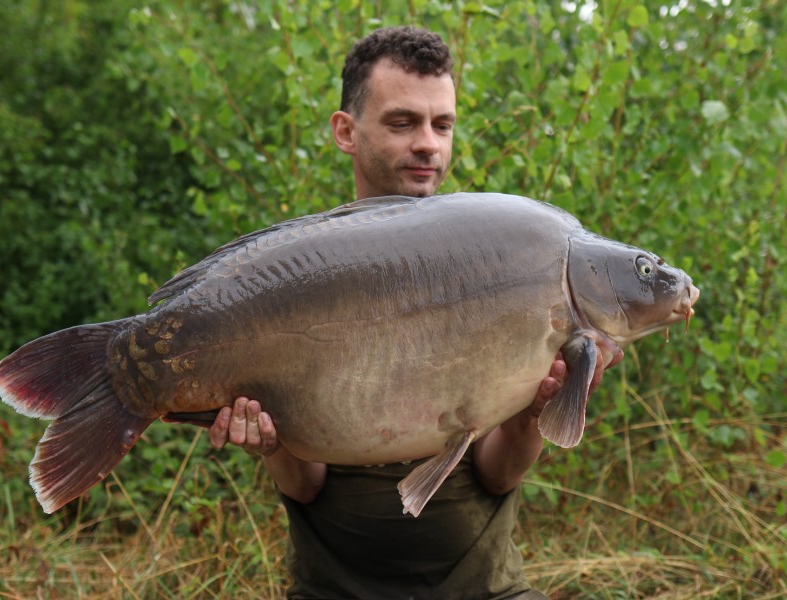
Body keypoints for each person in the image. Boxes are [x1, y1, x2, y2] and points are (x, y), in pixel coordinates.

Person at [209, 26, 611, 599]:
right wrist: (269, 442)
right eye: (403, 123)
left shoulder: (499, 262)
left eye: (442, 125)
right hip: (335, 592)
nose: (428, 143)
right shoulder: (298, 275)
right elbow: (305, 488)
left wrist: (535, 409)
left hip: (486, 589)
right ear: (346, 132)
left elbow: (498, 475)